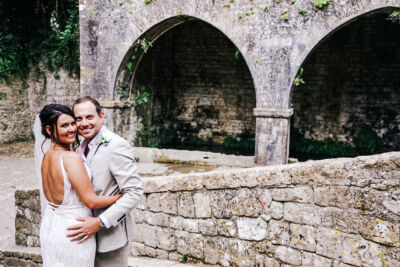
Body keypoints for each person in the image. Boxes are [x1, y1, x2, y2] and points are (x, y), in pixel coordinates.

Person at [38, 104, 123, 267]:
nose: (72, 129)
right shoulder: (70, 158)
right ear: (49, 130)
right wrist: (121, 196)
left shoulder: (47, 156)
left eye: (72, 123)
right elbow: (91, 201)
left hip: (52, 228)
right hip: (75, 231)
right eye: (64, 125)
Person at [67, 96, 143, 267]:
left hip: (110, 238)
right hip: (83, 238)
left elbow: (135, 192)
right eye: (78, 119)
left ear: (101, 116)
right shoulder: (79, 148)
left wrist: (100, 222)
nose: (84, 123)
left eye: (89, 117)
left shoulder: (116, 145)